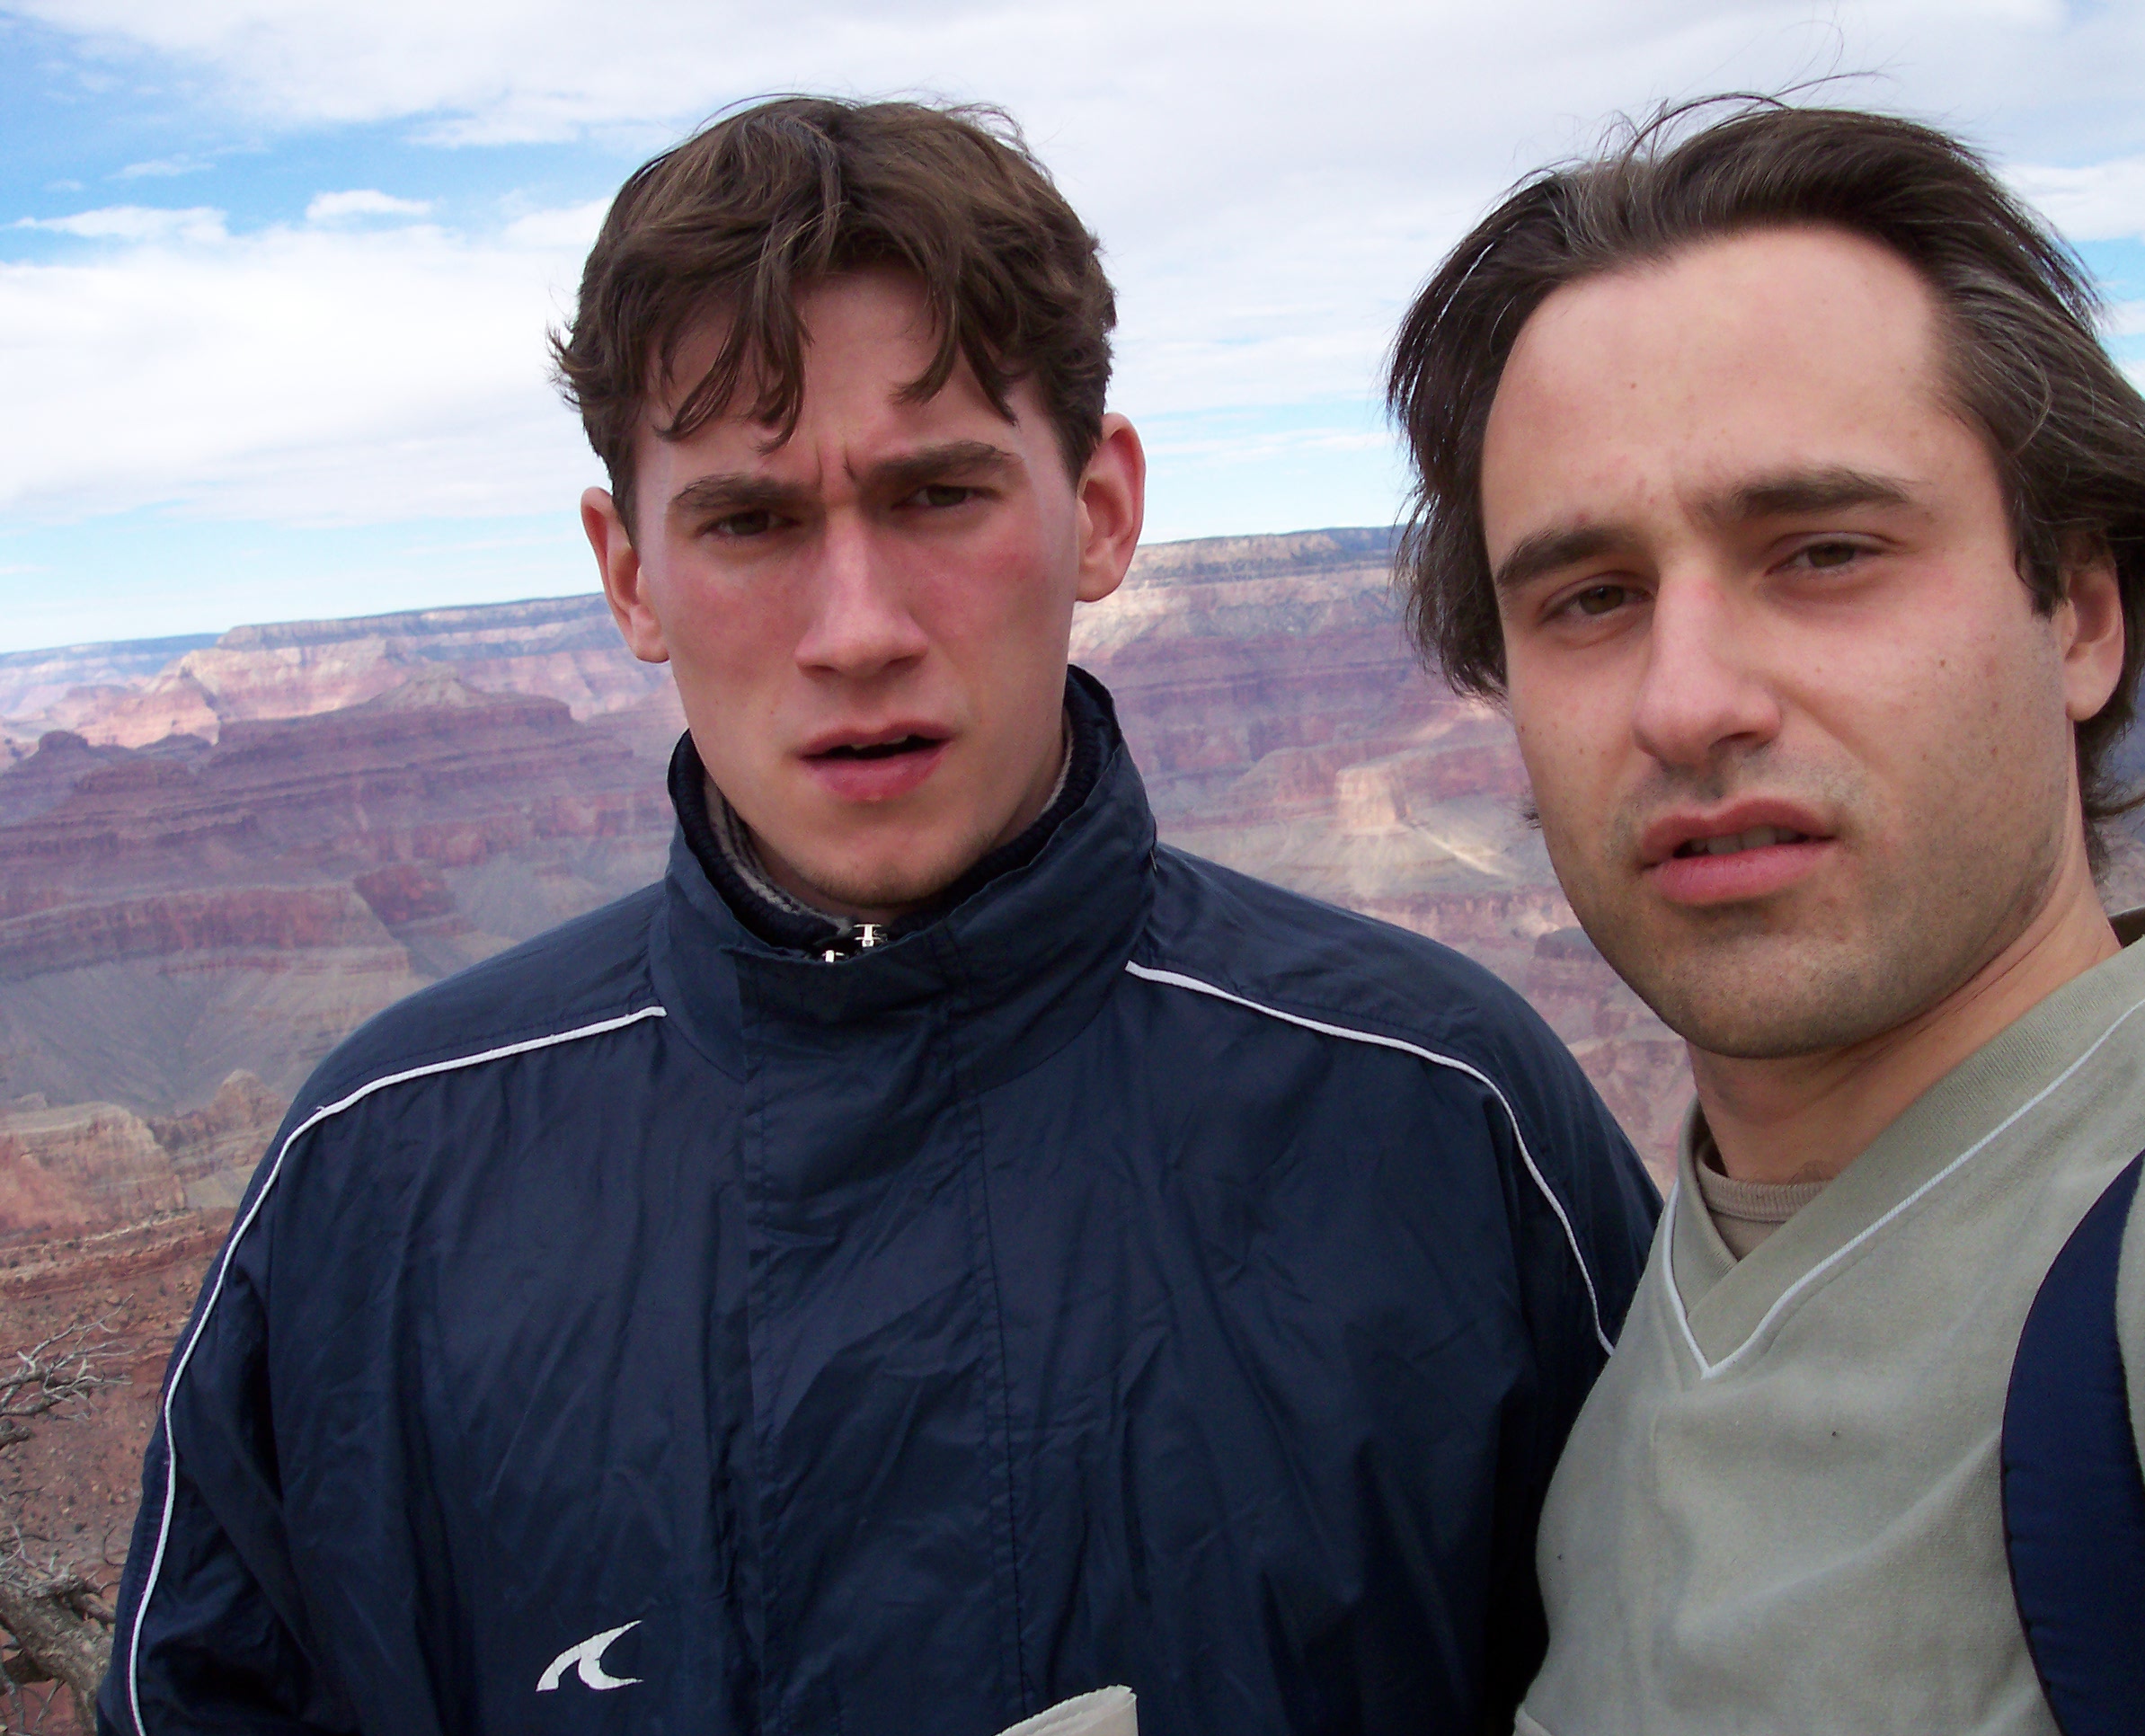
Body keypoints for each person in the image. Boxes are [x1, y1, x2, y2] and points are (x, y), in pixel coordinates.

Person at [100, 96, 1657, 1736]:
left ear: (1101, 511)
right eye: (750, 521)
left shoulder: (1443, 1121)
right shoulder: (375, 1184)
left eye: (937, 497)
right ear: (628, 574)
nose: (856, 630)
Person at [1387, 99, 2145, 1735]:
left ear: (2080, 615)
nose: (1688, 702)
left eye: (1823, 552)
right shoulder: (1636, 1352)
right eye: (1591, 597)